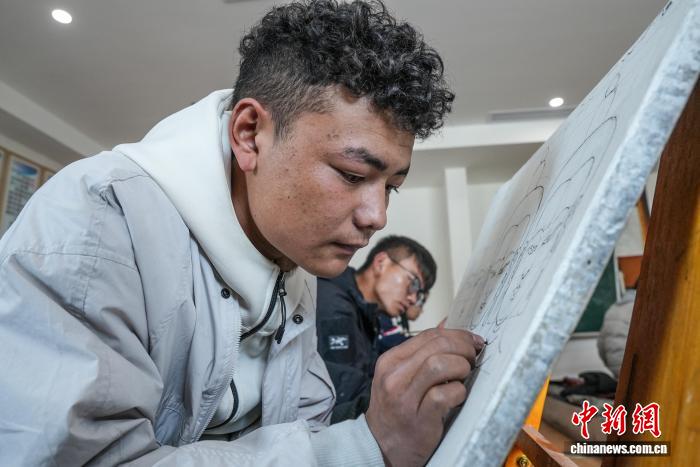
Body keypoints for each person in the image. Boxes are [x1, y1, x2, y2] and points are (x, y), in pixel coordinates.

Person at [0, 1, 484, 466]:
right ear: (250, 134)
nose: (377, 217)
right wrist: (362, 447)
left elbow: (303, 421)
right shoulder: (94, 224)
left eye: (391, 188)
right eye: (352, 174)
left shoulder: (292, 256)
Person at [316, 235, 437, 423]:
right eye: (413, 283)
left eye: (419, 293)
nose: (413, 299)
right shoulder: (334, 305)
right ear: (381, 263)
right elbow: (343, 394)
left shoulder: (367, 311)